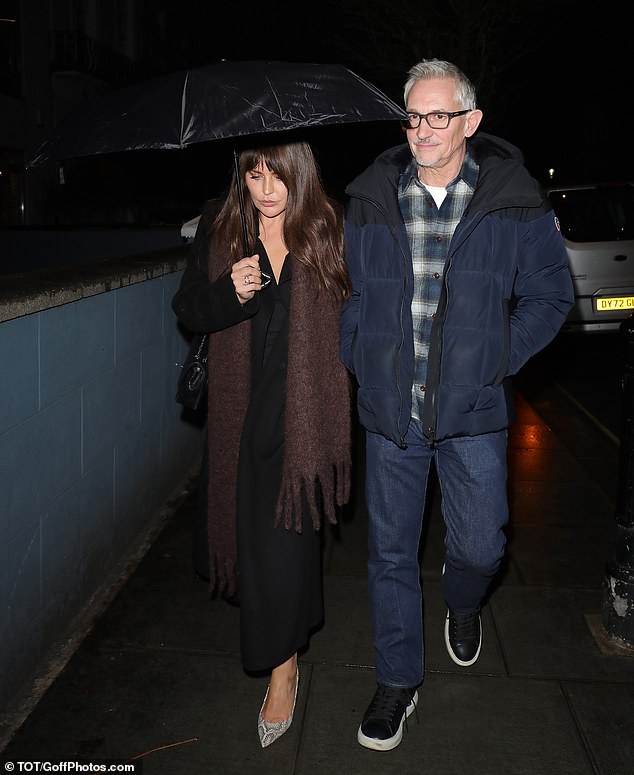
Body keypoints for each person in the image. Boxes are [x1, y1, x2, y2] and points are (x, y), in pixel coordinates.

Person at [339, 59, 574, 751]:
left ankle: (464, 603)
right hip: (393, 415)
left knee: (481, 544)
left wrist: (497, 357)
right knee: (389, 553)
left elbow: (553, 295)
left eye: (439, 115)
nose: (423, 129)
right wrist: (360, 358)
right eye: (413, 115)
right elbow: (350, 295)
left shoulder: (513, 200)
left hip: (474, 412)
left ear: (470, 121)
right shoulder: (372, 197)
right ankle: (397, 681)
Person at [172, 141, 352, 748]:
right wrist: (229, 289)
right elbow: (189, 308)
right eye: (255, 173)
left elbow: (353, 312)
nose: (267, 186)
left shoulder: (325, 226)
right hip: (241, 413)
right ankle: (284, 640)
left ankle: (283, 670)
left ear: (299, 172)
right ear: (242, 176)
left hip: (300, 416)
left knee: (285, 540)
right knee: (255, 541)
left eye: (278, 173)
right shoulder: (223, 230)